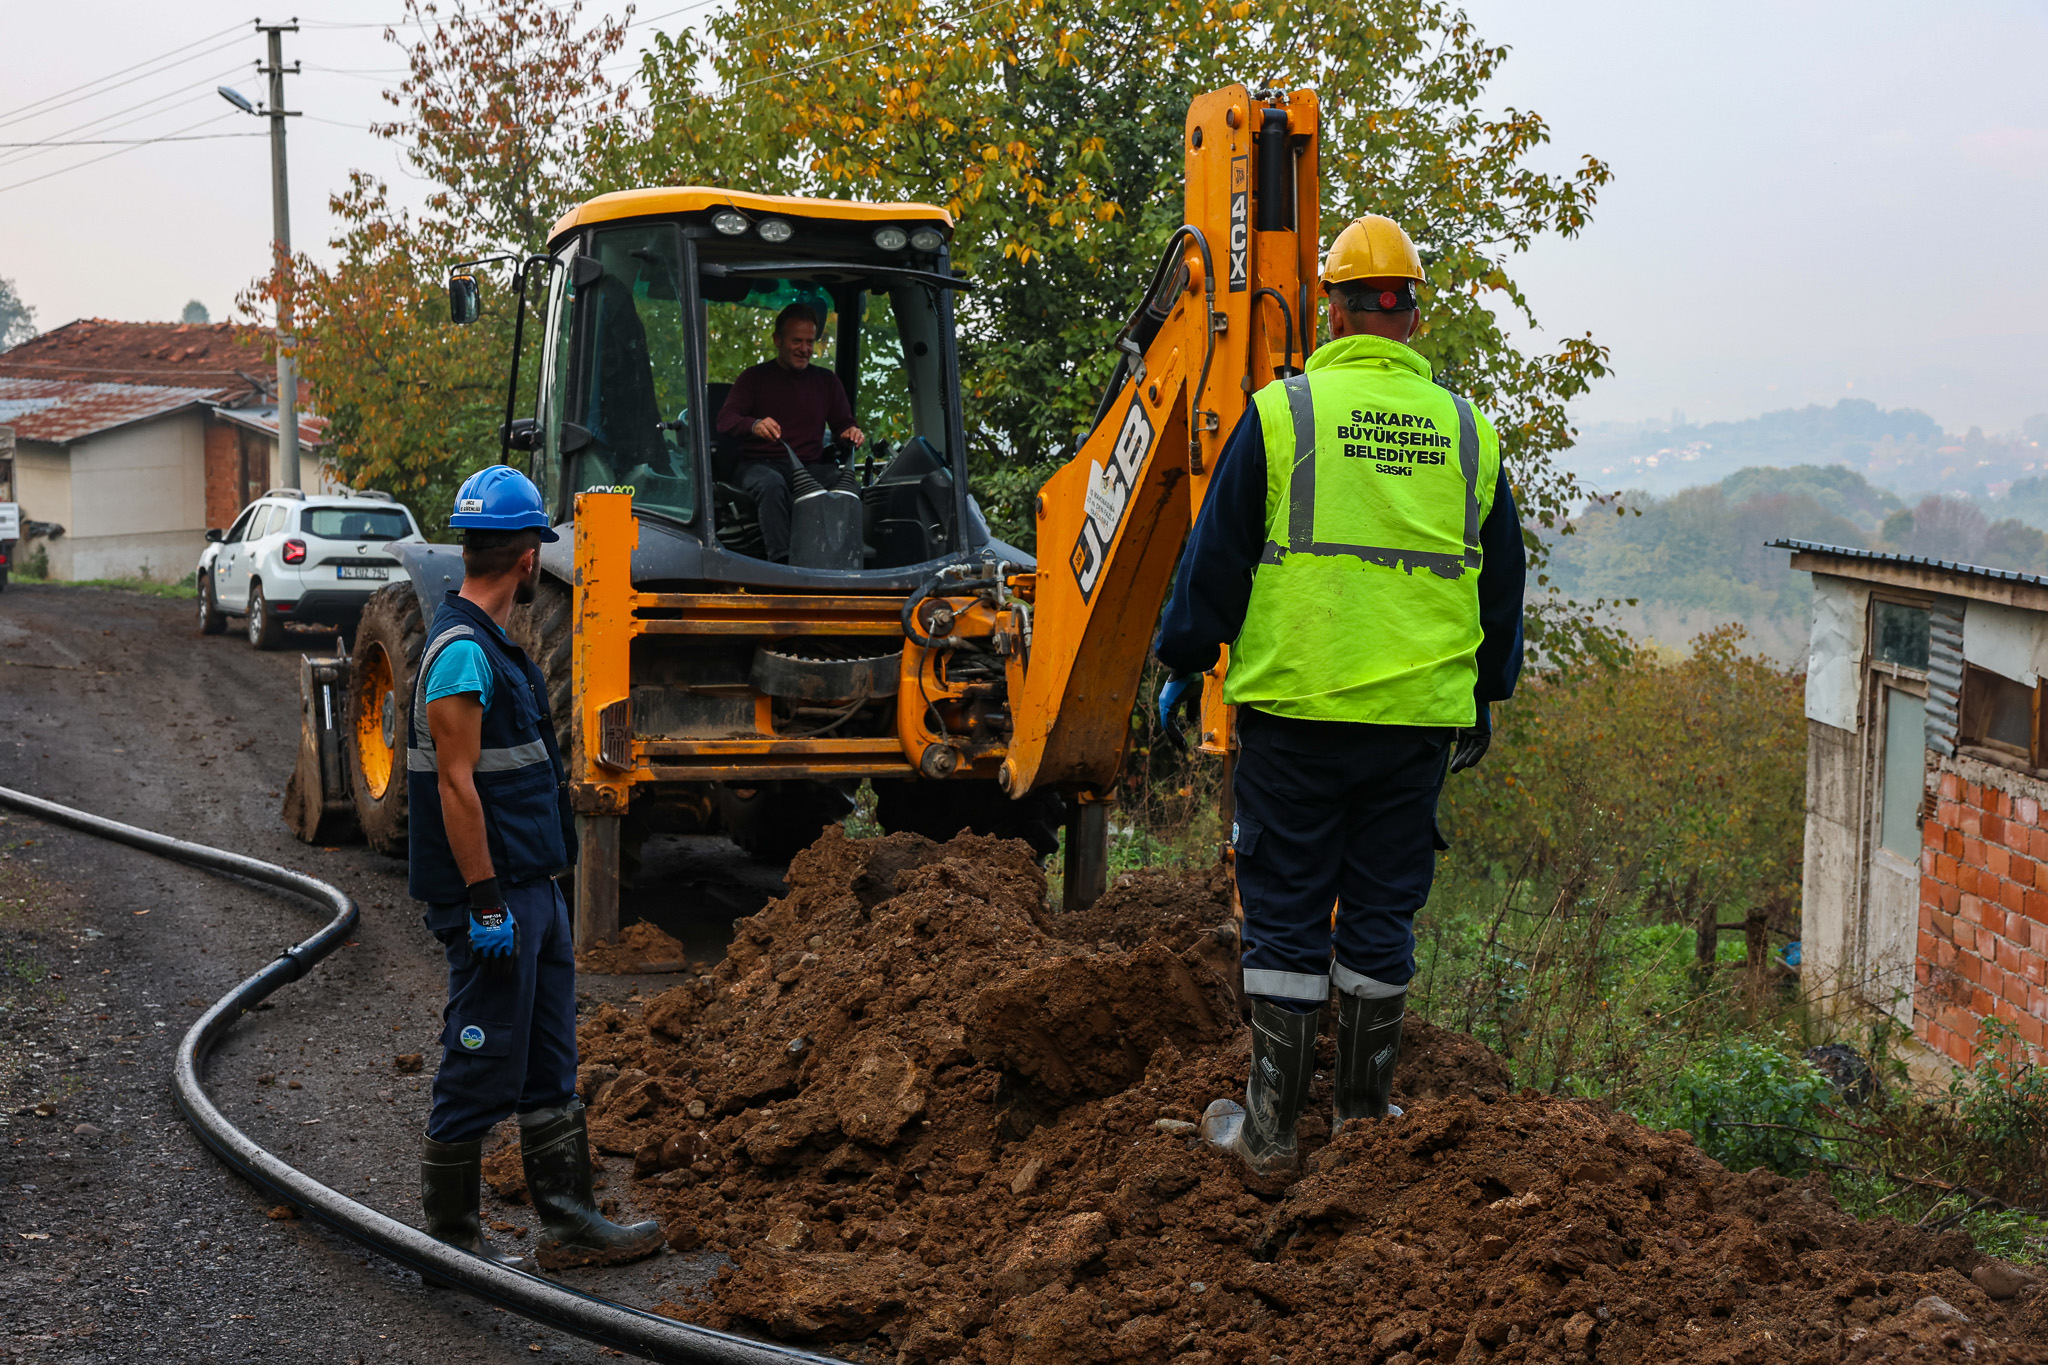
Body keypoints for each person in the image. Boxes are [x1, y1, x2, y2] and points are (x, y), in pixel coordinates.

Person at [1153, 215, 1526, 1178]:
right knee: (1380, 910)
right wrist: (1484, 693)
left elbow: (1219, 556)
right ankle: (1362, 1125)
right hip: (1414, 727)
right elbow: (1499, 583)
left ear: (1332, 306)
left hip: (1298, 712)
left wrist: (1183, 657)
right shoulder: (1469, 432)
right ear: (1412, 315)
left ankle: (1273, 1134)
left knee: (1285, 905)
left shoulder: (1287, 415)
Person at [410, 464, 664, 1275]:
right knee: (482, 1060)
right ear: (527, 558)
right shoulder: (459, 653)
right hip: (498, 897)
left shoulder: (496, 647)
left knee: (551, 1060)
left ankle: (569, 1222)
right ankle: (450, 1239)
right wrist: (485, 902)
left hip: (535, 887)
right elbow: (455, 785)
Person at [715, 302, 866, 562]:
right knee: (771, 485)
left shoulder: (826, 381)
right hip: (758, 465)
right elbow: (725, 420)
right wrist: (754, 424)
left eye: (810, 342)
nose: (805, 349)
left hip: (808, 466)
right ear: (777, 340)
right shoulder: (754, 378)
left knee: (847, 484)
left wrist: (851, 433)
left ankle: (846, 557)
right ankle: (783, 563)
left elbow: (843, 424)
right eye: (797, 341)